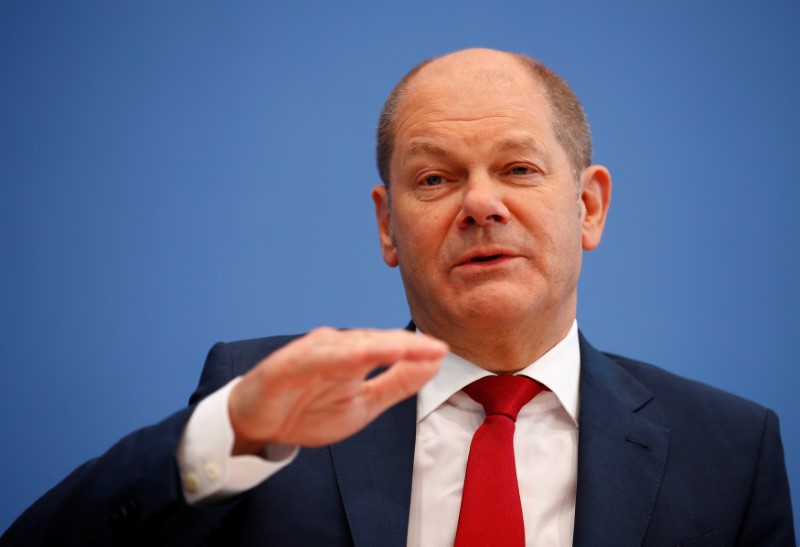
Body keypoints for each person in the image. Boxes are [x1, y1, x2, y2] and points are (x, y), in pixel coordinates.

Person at [2, 48, 794, 546]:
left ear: (588, 206)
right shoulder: (272, 403)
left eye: (518, 169)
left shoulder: (728, 449)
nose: (481, 205)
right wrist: (227, 435)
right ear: (388, 225)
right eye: (435, 178)